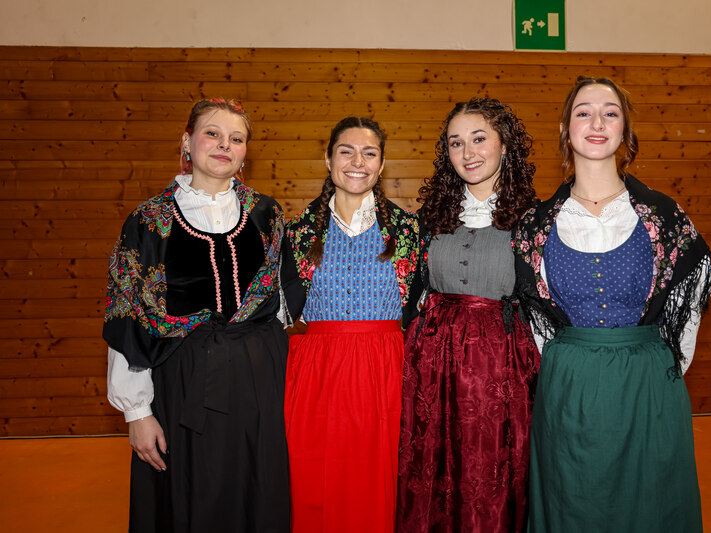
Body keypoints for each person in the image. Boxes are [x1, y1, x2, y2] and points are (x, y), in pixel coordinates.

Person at [513, 77, 711, 532]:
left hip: (648, 381)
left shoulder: (662, 214)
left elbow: (693, 286)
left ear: (624, 129)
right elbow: (534, 314)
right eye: (584, 112)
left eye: (610, 113)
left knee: (650, 502)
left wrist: (663, 363)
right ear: (566, 130)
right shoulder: (536, 224)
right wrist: (569, 359)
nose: (597, 123)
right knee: (572, 500)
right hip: (569, 384)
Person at [104, 98, 301, 533]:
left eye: (237, 138)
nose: (224, 145)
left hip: (259, 381)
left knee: (257, 492)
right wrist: (137, 412)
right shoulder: (148, 221)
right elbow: (128, 318)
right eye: (213, 133)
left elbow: (282, 303)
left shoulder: (267, 214)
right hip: (181, 379)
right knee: (191, 495)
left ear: (245, 152)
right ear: (187, 142)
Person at [396, 98, 540, 533]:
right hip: (432, 363)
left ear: (504, 145)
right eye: (456, 143)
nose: (468, 152)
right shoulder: (430, 217)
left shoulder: (534, 218)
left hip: (499, 365)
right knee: (431, 468)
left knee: (488, 471)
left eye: (479, 139)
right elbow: (410, 290)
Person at [282, 117, 419, 532]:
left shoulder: (409, 230)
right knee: (314, 483)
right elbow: (278, 310)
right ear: (328, 160)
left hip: (385, 372)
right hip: (318, 374)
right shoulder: (297, 232)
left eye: (369, 153)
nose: (358, 162)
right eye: (346, 151)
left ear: (382, 164)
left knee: (378, 484)